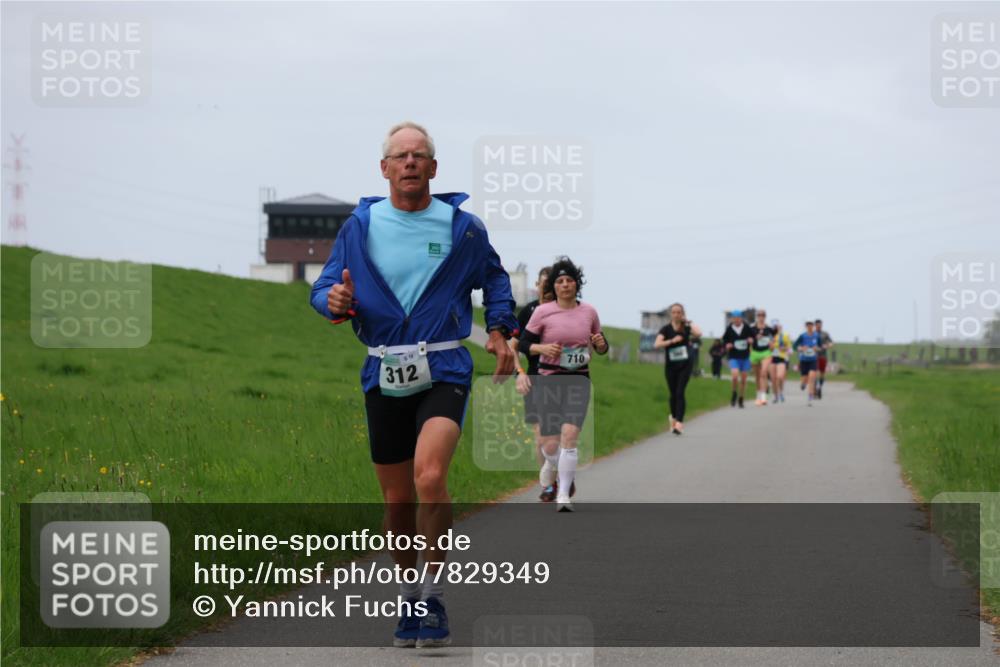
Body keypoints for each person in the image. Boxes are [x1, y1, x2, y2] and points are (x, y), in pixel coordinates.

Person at [310, 122, 518, 649]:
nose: (409, 163)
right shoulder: (360, 226)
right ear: (384, 168)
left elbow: (494, 277)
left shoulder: (462, 227)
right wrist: (332, 302)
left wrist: (498, 327)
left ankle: (432, 592)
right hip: (383, 367)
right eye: (399, 156)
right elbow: (325, 286)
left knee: (429, 477)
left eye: (419, 155)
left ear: (433, 167)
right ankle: (407, 591)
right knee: (397, 498)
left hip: (444, 365)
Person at [519, 257, 608, 512]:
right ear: (553, 286)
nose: (565, 285)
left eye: (570, 280)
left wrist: (601, 345)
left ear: (576, 284)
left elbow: (600, 343)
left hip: (578, 379)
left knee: (569, 436)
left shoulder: (589, 311)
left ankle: (564, 497)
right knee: (549, 444)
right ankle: (553, 464)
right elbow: (524, 344)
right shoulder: (542, 312)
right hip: (548, 379)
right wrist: (542, 347)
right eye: (560, 281)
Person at [512, 267, 563, 502]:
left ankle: (560, 477)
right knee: (540, 436)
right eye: (544, 284)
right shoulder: (529, 311)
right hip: (533, 378)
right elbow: (514, 346)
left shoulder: (564, 311)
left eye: (550, 284)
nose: (547, 288)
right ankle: (549, 483)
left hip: (561, 379)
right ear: (537, 284)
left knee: (558, 434)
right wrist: (519, 372)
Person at [654, 303, 702, 435]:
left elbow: (699, 333)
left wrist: (688, 322)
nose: (676, 314)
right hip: (671, 365)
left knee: (680, 391)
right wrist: (671, 341)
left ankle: (679, 423)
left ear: (682, 314)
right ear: (671, 314)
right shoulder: (666, 329)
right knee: (673, 393)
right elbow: (657, 344)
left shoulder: (686, 326)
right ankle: (674, 418)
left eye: (679, 312)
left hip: (685, 364)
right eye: (674, 312)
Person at [722, 310, 754, 408]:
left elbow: (753, 338)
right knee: (735, 375)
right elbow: (724, 340)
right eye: (734, 318)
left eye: (738, 318)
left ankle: (741, 398)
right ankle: (734, 393)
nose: (736, 320)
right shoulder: (729, 328)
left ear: (741, 318)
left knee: (744, 379)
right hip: (734, 356)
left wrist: (751, 340)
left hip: (745, 356)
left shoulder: (747, 327)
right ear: (732, 319)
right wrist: (727, 345)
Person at [748, 309, 775, 406]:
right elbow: (748, 339)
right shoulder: (752, 328)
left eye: (763, 315)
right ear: (757, 316)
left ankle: (764, 396)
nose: (761, 317)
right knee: (757, 376)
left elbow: (773, 342)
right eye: (759, 315)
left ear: (765, 316)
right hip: (755, 353)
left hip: (766, 352)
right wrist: (753, 339)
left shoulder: (769, 329)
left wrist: (772, 344)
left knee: (763, 372)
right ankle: (758, 395)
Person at [794, 320, 822, 406]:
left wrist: (816, 348)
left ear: (813, 326)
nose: (809, 327)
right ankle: (803, 384)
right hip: (804, 360)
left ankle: (810, 397)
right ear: (806, 326)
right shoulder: (802, 336)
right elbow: (794, 346)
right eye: (808, 325)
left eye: (811, 325)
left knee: (811, 378)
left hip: (813, 360)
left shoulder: (817, 336)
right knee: (805, 380)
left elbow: (820, 347)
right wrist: (801, 348)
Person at [769, 319, 792, 403]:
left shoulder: (784, 335)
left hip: (781, 358)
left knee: (780, 377)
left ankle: (781, 392)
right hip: (771, 359)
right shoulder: (770, 336)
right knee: (773, 379)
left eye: (777, 326)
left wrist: (784, 348)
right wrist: (772, 344)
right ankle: (775, 396)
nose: (776, 328)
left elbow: (789, 348)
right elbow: (768, 348)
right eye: (774, 327)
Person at [815, 319, 834, 399]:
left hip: (823, 356)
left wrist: (827, 346)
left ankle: (820, 387)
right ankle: (816, 388)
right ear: (815, 325)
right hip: (814, 356)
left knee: (822, 374)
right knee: (815, 373)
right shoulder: (812, 334)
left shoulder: (825, 334)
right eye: (817, 325)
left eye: (820, 325)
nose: (819, 326)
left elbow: (831, 342)